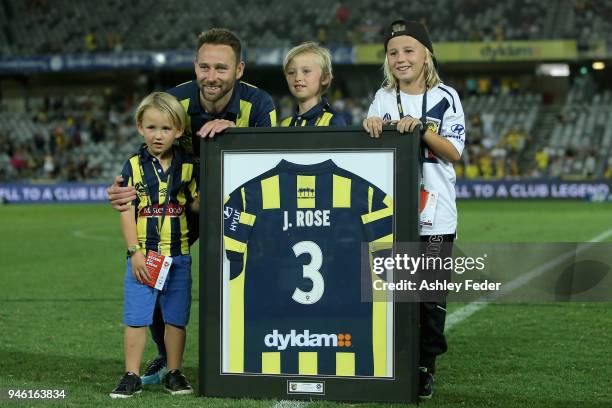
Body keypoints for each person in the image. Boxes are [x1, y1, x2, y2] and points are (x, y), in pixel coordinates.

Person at [106, 28, 277, 385]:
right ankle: (164, 356)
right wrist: (123, 189)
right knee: (156, 283)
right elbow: (147, 154)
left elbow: (272, 162)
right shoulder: (175, 101)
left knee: (259, 277)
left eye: (221, 68)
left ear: (239, 70)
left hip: (243, 206)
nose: (211, 77)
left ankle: (260, 351)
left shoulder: (260, 106)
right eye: (204, 67)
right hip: (183, 209)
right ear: (195, 66)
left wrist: (233, 133)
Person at [363, 20, 466, 399]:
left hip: (436, 217)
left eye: (409, 50)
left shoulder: (447, 96)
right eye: (393, 52)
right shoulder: (383, 97)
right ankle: (397, 361)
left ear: (426, 55)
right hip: (392, 214)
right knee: (395, 293)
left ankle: (426, 366)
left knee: (429, 296)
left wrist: (421, 128)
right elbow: (370, 149)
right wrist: (371, 124)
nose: (401, 58)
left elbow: (454, 152)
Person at [109, 92, 199, 398]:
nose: (158, 135)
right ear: (139, 127)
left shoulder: (188, 166)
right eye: (151, 127)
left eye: (165, 128)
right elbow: (125, 211)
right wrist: (134, 252)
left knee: (176, 318)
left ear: (178, 131)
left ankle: (174, 372)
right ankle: (131, 375)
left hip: (180, 256)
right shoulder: (133, 165)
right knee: (136, 318)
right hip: (143, 256)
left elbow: (197, 204)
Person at [280, 42, 346, 127]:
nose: (297, 78)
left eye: (306, 71)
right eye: (291, 72)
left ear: (324, 78)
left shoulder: (333, 122)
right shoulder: (285, 124)